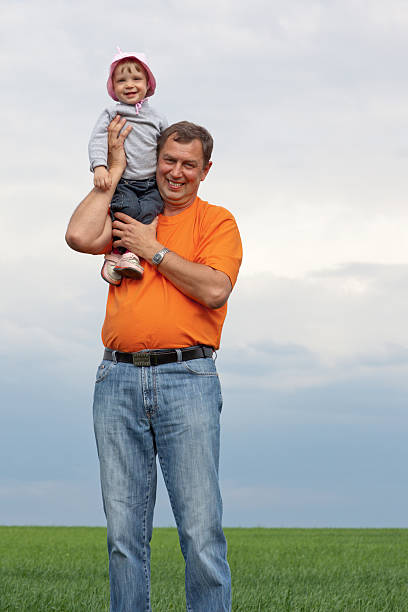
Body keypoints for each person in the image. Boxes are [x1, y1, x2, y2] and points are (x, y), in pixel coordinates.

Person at [66, 117, 242, 612]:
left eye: (189, 164)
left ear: (206, 170)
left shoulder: (216, 221)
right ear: (156, 159)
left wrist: (153, 250)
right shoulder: (131, 210)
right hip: (116, 378)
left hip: (188, 378)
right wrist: (114, 170)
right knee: (124, 534)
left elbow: (214, 288)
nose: (177, 172)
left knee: (200, 530)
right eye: (168, 160)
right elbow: (79, 236)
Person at [89, 48, 167, 284]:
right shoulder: (111, 113)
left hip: (151, 182)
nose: (129, 84)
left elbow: (166, 146)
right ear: (113, 87)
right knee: (127, 210)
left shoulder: (157, 117)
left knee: (151, 212)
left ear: (148, 84)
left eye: (136, 79)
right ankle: (116, 255)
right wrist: (100, 167)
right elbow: (97, 140)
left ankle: (128, 255)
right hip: (125, 181)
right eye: (121, 80)